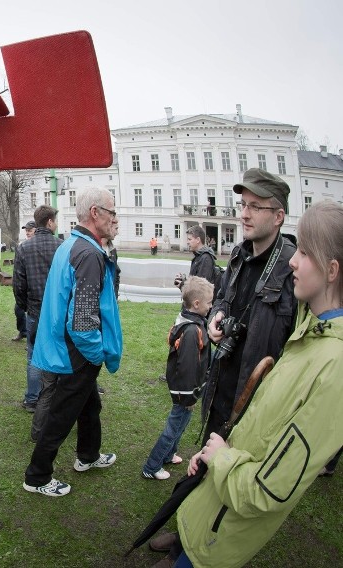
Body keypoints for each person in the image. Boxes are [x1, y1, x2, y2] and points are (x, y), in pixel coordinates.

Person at [153, 200, 343, 568]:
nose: (292, 262)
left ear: (331, 270)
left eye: (304, 252)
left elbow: (267, 490)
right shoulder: (311, 331)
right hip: (220, 486)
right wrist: (218, 451)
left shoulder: (334, 367)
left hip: (225, 527)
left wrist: (221, 457)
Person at [23, 188, 123, 497]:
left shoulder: (71, 245)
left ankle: (87, 456)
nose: (115, 218)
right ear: (96, 213)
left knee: (89, 405)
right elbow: (81, 322)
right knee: (62, 414)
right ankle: (37, 476)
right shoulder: (89, 254)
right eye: (112, 212)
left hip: (64, 347)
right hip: (76, 353)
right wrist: (96, 355)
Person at [202, 168, 296, 441]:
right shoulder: (238, 255)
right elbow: (221, 298)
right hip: (221, 393)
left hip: (259, 407)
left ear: (278, 216)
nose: (243, 214)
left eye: (255, 206)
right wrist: (216, 315)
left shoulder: (293, 268)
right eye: (243, 205)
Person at [142, 276, 214, 481]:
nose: (211, 306)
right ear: (197, 304)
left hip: (187, 391)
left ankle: (168, 454)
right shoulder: (192, 330)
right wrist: (189, 397)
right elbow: (187, 368)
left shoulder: (193, 320)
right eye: (209, 303)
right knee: (173, 428)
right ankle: (151, 466)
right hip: (185, 393)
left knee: (180, 424)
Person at [13, 205, 61, 413]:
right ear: (49, 222)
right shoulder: (62, 246)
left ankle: (32, 399)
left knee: (34, 357)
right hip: (57, 313)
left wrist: (26, 306)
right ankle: (54, 398)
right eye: (55, 221)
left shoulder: (24, 248)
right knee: (59, 354)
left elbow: (18, 285)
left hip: (35, 311)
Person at [11, 221, 36, 341]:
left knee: (34, 316)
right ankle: (23, 331)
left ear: (36, 230)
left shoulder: (38, 245)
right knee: (18, 310)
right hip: (23, 285)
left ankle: (32, 339)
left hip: (35, 287)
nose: (27, 233)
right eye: (26, 230)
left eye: (30, 230)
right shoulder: (22, 245)